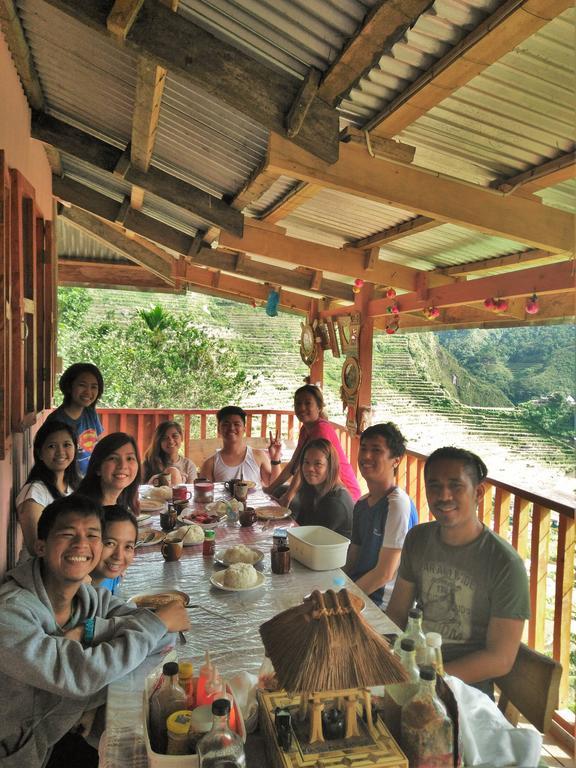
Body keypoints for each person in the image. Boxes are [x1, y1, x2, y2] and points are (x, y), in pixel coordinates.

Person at [0, 494, 190, 768]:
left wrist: (90, 630)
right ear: (40, 546)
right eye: (68, 534)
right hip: (20, 755)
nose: (81, 544)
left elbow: (163, 636)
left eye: (92, 535)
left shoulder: (89, 598)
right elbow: (79, 674)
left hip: (65, 730)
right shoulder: (10, 614)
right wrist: (154, 623)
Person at [386, 446, 530, 698]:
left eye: (456, 486)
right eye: (434, 486)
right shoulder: (418, 539)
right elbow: (398, 613)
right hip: (412, 667)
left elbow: (500, 658)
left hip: (464, 690)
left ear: (478, 492)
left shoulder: (505, 564)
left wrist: (431, 680)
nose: (444, 495)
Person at [344, 423, 418, 610]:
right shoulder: (361, 504)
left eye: (376, 450)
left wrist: (342, 601)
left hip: (382, 605)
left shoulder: (397, 504)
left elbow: (385, 573)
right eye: (364, 449)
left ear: (396, 460)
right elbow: (353, 559)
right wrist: (336, 586)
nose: (366, 456)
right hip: (358, 593)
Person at [265, 385, 361, 506]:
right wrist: (269, 489)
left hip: (342, 492)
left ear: (319, 407)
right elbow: (294, 464)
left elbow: (302, 469)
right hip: (322, 487)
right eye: (298, 404)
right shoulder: (305, 429)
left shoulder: (322, 429)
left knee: (292, 502)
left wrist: (288, 496)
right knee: (278, 491)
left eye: (307, 403)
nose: (302, 408)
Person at [16, 419, 81, 557]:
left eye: (67, 445)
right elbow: (36, 548)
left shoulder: (73, 486)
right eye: (52, 446)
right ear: (40, 453)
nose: (60, 452)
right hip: (44, 572)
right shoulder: (34, 492)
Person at [199, 406, 282, 486]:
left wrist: (275, 459)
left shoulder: (258, 455)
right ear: (219, 429)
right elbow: (204, 494)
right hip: (222, 501)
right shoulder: (210, 463)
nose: (231, 428)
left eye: (237, 424)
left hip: (255, 500)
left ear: (244, 429)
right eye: (226, 424)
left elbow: (273, 485)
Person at [47, 363, 104, 476]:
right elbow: (52, 459)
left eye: (94, 387)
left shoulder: (90, 413)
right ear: (69, 386)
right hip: (67, 482)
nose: (88, 392)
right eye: (82, 385)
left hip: (88, 479)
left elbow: (100, 444)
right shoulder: (57, 421)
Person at [295, 439, 353, 538]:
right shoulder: (312, 490)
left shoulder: (335, 502)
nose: (310, 468)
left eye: (318, 464)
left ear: (331, 467)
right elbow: (299, 526)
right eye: (306, 462)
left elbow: (311, 539)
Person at [77, 432, 141, 513]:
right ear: (97, 468)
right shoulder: (83, 511)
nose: (122, 465)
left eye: (129, 458)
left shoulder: (122, 501)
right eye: (113, 458)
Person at [90, 505, 137, 594]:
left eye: (128, 547)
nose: (119, 556)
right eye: (110, 543)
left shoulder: (112, 576)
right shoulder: (76, 592)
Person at [142, 420, 197, 485]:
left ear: (181, 438)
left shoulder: (189, 465)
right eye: (165, 438)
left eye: (174, 436)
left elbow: (191, 490)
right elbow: (140, 489)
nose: (170, 441)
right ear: (159, 441)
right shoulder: (149, 464)